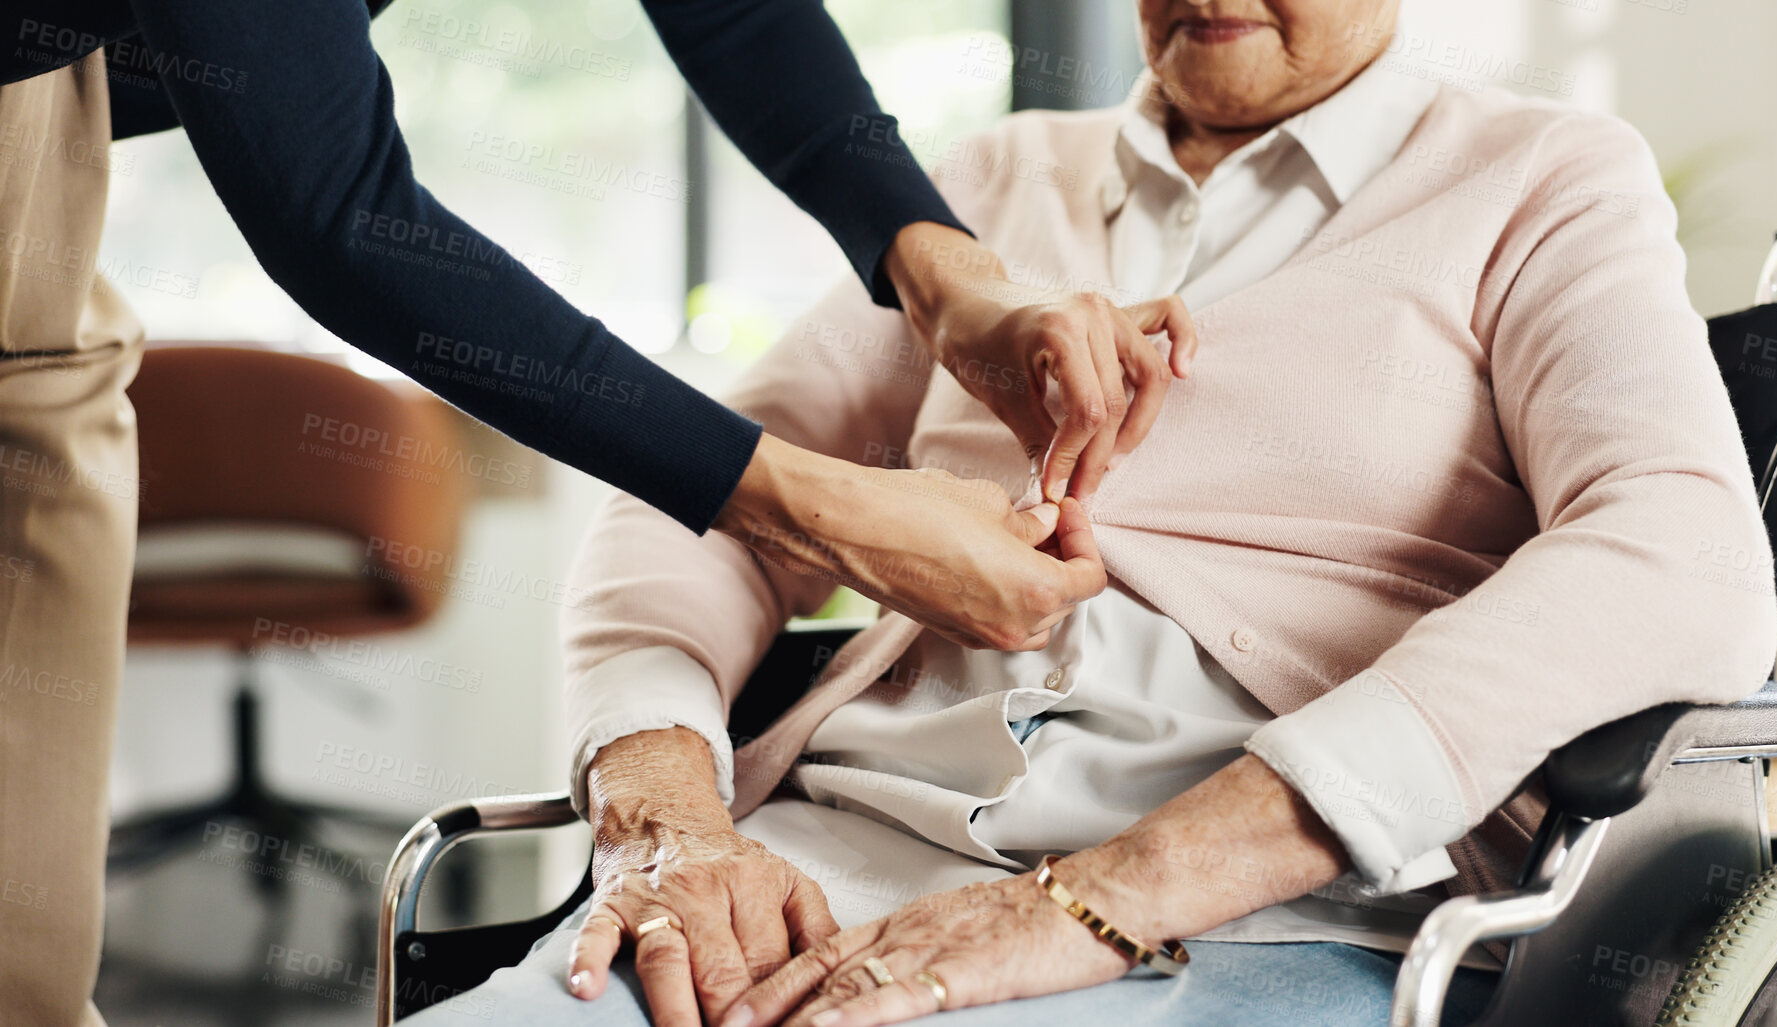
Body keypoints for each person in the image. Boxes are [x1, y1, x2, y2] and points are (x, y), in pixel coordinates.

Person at [401, 0, 1777, 1024]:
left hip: (1267, 915)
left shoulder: (1537, 177)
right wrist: (666, 805)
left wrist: (1104, 891)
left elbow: (1676, 550)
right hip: (819, 863)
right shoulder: (990, 188)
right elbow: (699, 492)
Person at [0, 2, 1193, 1023]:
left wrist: (947, 280)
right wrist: (817, 522)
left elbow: (733, 13)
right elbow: (342, 211)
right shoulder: (1033, 162)